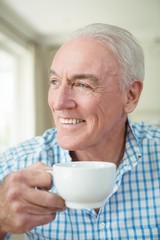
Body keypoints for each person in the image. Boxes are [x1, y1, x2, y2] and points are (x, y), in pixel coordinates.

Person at [0, 23, 159, 240]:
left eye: (82, 84)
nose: (58, 102)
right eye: (55, 82)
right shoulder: (13, 167)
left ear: (130, 95)